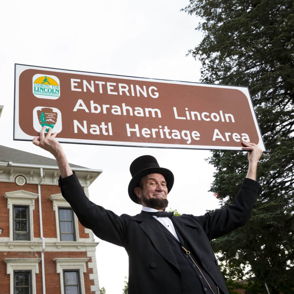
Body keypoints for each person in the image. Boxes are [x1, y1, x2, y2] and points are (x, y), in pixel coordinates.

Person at [33, 127, 263, 294]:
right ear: (139, 192)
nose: (160, 187)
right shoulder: (130, 227)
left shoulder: (194, 224)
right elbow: (87, 210)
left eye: (163, 183)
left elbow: (238, 212)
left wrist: (253, 163)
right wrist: (60, 156)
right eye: (152, 183)